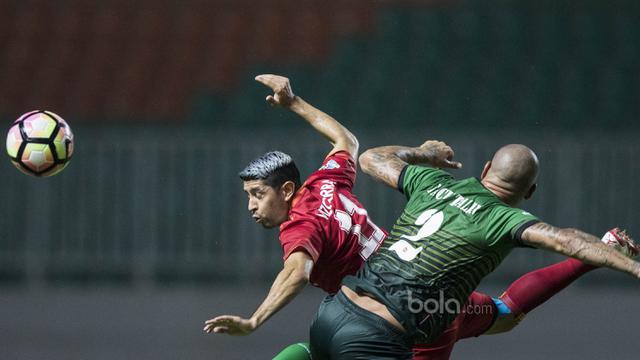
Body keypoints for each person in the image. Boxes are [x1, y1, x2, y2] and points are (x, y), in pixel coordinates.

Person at [309, 141, 640, 359]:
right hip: (382, 335)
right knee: (494, 314)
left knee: (498, 314)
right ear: (531, 192)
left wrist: (423, 154)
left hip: (334, 310)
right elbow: (568, 240)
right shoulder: (505, 218)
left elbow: (370, 158)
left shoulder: (431, 181)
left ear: (484, 170)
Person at [203, 74, 386, 337]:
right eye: (248, 196)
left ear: (287, 190)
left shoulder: (300, 224)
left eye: (257, 194)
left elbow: (297, 272)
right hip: (414, 272)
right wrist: (293, 103)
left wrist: (254, 320)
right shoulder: (325, 180)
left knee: (316, 342)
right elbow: (346, 141)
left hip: (387, 309)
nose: (251, 206)